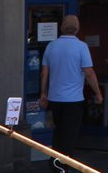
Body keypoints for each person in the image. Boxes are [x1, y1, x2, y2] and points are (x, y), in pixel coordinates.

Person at [38, 14, 103, 164]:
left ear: (61, 27)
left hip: (55, 98)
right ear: (77, 29)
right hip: (74, 99)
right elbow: (89, 73)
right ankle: (64, 166)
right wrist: (98, 93)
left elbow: (44, 73)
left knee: (58, 132)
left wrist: (43, 93)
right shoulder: (81, 47)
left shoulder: (51, 46)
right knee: (70, 134)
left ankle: (55, 161)